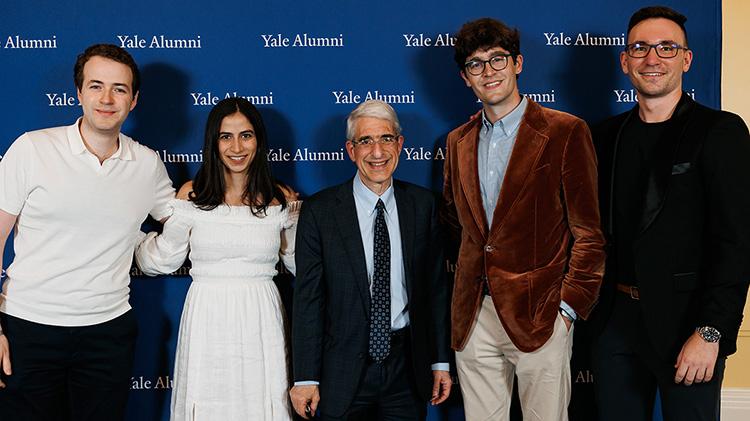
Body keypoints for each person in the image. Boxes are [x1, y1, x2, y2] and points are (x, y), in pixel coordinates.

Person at [588, 6, 750, 420]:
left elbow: (737, 242)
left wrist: (711, 332)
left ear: (686, 59)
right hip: (614, 325)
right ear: (625, 61)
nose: (652, 58)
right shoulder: (603, 137)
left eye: (666, 47)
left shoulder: (720, 132)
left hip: (689, 327)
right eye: (640, 48)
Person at [442, 18, 606, 421]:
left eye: (497, 59)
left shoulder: (565, 132)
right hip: (473, 316)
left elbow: (589, 234)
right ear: (466, 78)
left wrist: (567, 309)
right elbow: (454, 223)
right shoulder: (456, 141)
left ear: (518, 63)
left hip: (542, 313)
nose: (489, 71)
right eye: (476, 64)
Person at [0, 44, 174, 420]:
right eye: (96, 86)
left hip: (107, 334)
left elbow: (183, 215)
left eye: (119, 89)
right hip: (29, 328)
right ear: (78, 93)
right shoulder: (32, 149)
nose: (107, 99)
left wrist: (267, 192)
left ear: (135, 99)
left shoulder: (146, 164)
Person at [135, 97, 299, 420]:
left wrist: (295, 216)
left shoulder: (280, 199)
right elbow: (166, 258)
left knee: (262, 401)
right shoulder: (191, 195)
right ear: (213, 141)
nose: (236, 147)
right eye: (226, 136)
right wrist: (128, 244)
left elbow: (298, 264)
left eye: (246, 135)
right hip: (207, 315)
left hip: (261, 317)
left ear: (259, 140)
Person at [289, 100, 452, 420]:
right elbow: (308, 298)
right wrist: (305, 377)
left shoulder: (423, 206)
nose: (377, 151)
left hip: (407, 368)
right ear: (351, 150)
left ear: (400, 144)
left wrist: (440, 362)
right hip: (341, 370)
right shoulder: (320, 212)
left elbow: (435, 290)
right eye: (366, 141)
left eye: (386, 139)